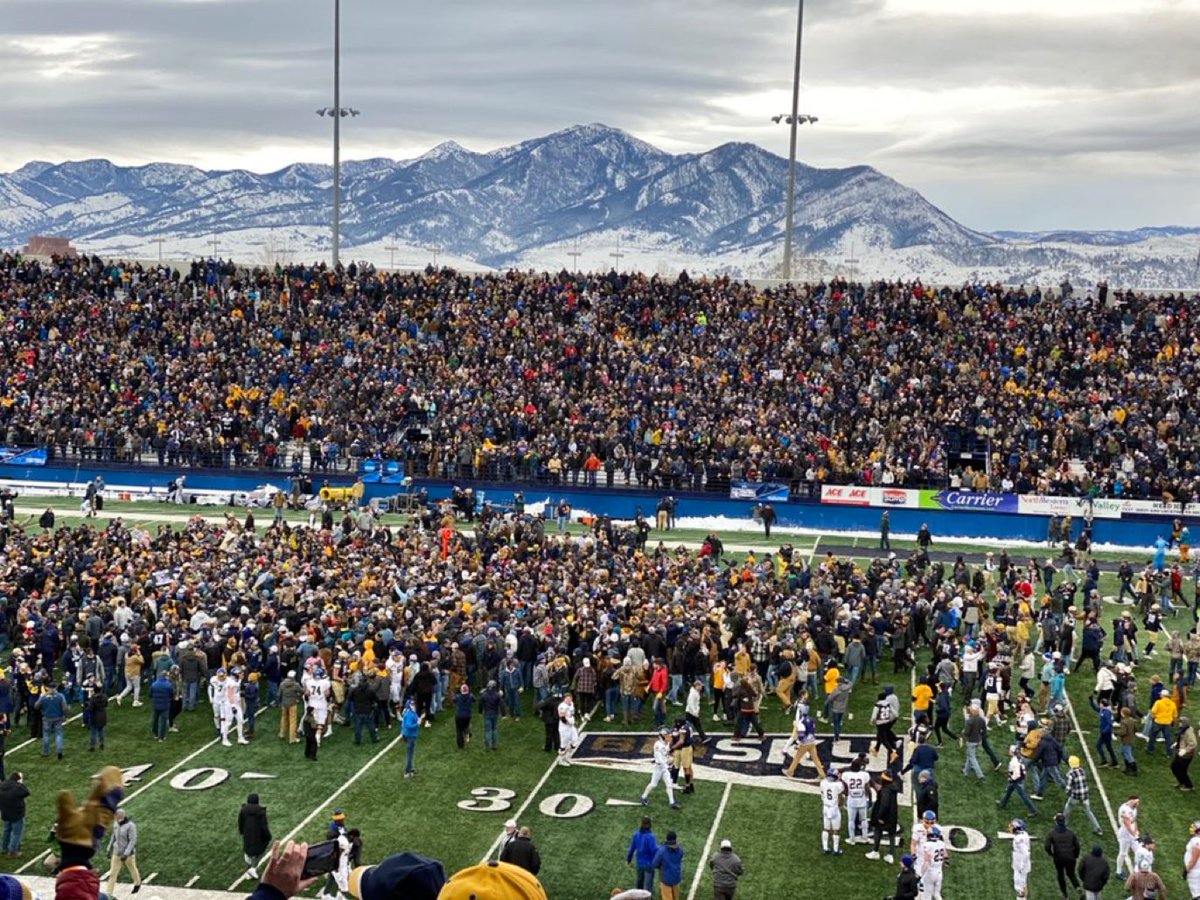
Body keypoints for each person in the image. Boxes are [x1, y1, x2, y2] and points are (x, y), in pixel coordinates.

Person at [865, 770, 900, 863]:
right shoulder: (893, 787)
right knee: (891, 834)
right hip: (893, 814)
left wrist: (879, 816)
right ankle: (891, 854)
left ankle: (875, 851)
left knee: (878, 831)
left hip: (884, 815)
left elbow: (884, 804)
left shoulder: (885, 790)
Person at [1063, 755, 1104, 835]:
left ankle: (1063, 824)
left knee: (1068, 808)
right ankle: (1098, 829)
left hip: (1076, 796)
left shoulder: (1070, 774)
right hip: (1085, 796)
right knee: (1088, 811)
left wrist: (1067, 791)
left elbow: (1068, 787)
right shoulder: (1082, 770)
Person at [641, 728, 681, 809]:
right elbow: (659, 759)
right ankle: (643, 797)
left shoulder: (666, 743)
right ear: (662, 737)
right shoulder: (658, 745)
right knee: (653, 784)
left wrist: (669, 760)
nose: (669, 737)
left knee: (669, 784)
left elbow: (666, 754)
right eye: (667, 736)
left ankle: (672, 802)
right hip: (658, 767)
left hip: (664, 767)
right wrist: (666, 766)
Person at [1044, 812, 1081, 898]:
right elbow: (1077, 846)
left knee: (1060, 875)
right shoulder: (1070, 833)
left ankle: (1065, 895)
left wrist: (1051, 854)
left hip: (1059, 858)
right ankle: (1078, 887)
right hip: (1071, 858)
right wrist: (1075, 855)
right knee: (1071, 874)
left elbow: (1047, 846)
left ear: (1056, 822)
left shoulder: (1052, 833)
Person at [106, 809, 142, 895]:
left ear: (120, 816)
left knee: (132, 869)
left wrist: (126, 854)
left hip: (128, 855)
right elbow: (113, 836)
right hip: (116, 853)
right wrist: (109, 848)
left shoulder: (130, 826)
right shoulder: (116, 824)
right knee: (112, 873)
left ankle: (137, 883)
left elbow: (132, 841)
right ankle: (109, 894)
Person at [238, 793, 272, 879]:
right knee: (260, 852)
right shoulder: (261, 811)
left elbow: (240, 822)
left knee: (248, 851)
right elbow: (264, 825)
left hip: (247, 834)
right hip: (259, 835)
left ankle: (250, 869)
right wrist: (268, 835)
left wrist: (242, 831)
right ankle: (253, 868)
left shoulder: (243, 810)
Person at [35, 681, 68, 759]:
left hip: (47, 718)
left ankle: (46, 752)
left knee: (46, 735)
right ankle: (59, 751)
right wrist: (66, 716)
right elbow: (65, 708)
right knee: (59, 734)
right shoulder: (60, 696)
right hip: (58, 717)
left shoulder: (43, 696)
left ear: (48, 688)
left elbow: (36, 706)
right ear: (56, 687)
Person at [626, 816, 659, 895]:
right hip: (649, 864)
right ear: (649, 824)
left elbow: (631, 849)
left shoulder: (636, 834)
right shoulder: (651, 837)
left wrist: (629, 859)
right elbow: (654, 850)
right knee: (648, 887)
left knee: (639, 883)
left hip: (639, 863)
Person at [0, 773, 29, 857]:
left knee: (7, 830)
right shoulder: (17, 787)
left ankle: (4, 848)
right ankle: (13, 851)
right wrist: (20, 784)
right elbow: (26, 792)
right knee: (16, 832)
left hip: (5, 812)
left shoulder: (3, 785)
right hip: (16, 813)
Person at [819, 768, 845, 856]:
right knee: (836, 830)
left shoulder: (823, 783)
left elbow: (822, 794)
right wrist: (841, 805)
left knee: (826, 828)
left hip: (825, 807)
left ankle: (825, 848)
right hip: (834, 808)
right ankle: (836, 849)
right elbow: (841, 798)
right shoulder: (838, 785)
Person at [651, 831, 684, 900]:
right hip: (676, 877)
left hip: (666, 879)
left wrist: (660, 866)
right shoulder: (680, 850)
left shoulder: (662, 851)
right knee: (676, 897)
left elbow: (654, 864)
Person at [920, 825, 948, 900]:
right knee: (937, 894)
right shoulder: (942, 844)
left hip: (930, 872)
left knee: (927, 896)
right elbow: (945, 856)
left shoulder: (927, 845)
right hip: (939, 872)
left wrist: (921, 874)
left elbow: (926, 861)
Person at [1116, 795, 1140, 879]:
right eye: (1136, 802)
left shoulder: (1134, 809)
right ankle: (1118, 872)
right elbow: (1127, 824)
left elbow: (1134, 821)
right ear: (1131, 801)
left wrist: (1136, 832)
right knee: (1123, 853)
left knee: (1138, 851)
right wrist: (1134, 834)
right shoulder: (1124, 809)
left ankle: (1137, 872)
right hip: (1125, 834)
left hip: (1133, 833)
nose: (1137, 804)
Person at [1172, 715, 1196, 791]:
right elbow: (1182, 739)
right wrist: (1177, 743)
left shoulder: (1189, 733)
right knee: (1174, 767)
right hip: (1180, 752)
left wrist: (1185, 750)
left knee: (1181, 770)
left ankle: (1188, 786)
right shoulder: (1183, 729)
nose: (1179, 724)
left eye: (1181, 723)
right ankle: (1181, 782)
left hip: (1186, 755)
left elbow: (1193, 744)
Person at [278, 670, 302, 744]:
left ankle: (282, 734)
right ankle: (292, 738)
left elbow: (279, 694)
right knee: (293, 721)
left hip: (284, 704)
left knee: (283, 718)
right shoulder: (296, 685)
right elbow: (301, 691)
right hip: (292, 704)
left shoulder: (282, 684)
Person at [1010, 819, 1031, 900]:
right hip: (1021, 862)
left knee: (1019, 887)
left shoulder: (1019, 839)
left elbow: (1025, 853)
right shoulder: (1024, 834)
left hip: (1020, 863)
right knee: (1023, 884)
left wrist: (1021, 865)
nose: (1011, 828)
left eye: (1012, 826)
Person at [149, 671, 173, 742]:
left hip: (156, 705)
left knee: (155, 720)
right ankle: (161, 737)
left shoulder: (154, 684)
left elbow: (150, 694)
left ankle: (155, 734)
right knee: (163, 721)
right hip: (165, 706)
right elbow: (171, 694)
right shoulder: (168, 685)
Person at [557, 692, 579, 762]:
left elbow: (571, 714)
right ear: (564, 699)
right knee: (563, 744)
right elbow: (562, 718)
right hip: (564, 728)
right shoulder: (562, 706)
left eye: (570, 698)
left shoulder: (572, 704)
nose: (569, 700)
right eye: (567, 699)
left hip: (571, 726)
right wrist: (569, 722)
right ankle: (561, 760)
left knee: (575, 741)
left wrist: (573, 722)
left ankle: (567, 756)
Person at [401, 699, 420, 777]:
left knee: (411, 753)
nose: (414, 706)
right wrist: (417, 724)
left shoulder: (412, 713)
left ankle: (410, 768)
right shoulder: (409, 714)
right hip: (410, 736)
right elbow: (408, 726)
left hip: (410, 735)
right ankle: (407, 771)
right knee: (410, 754)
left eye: (414, 704)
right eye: (412, 704)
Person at [453, 683, 474, 750]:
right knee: (466, 725)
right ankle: (467, 732)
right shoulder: (470, 696)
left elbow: (454, 700)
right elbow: (474, 700)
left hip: (459, 715)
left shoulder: (458, 697)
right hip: (467, 715)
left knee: (459, 730)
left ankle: (460, 744)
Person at [1184, 820, 1200, 900]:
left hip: (1195, 871)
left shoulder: (1196, 840)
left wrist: (1187, 870)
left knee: (1196, 894)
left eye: (1194, 827)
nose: (1192, 828)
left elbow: (1194, 858)